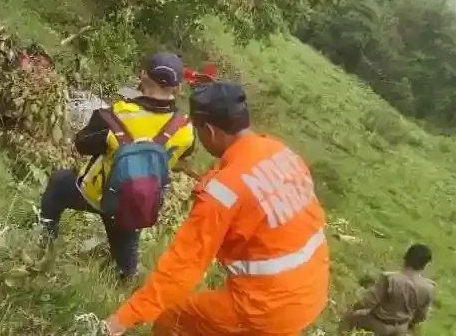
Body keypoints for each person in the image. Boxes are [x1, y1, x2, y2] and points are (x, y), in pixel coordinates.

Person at [103, 80, 329, 336]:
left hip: (267, 308)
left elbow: (182, 267)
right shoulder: (281, 152)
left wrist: (123, 319)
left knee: (173, 319)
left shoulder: (222, 193)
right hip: (313, 291)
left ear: (209, 130)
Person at [40, 52, 198, 283]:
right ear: (179, 87)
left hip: (96, 194)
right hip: (135, 205)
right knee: (125, 265)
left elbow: (82, 144)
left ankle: (45, 240)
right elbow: (181, 157)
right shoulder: (185, 129)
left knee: (59, 183)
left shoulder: (117, 113)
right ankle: (125, 280)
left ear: (143, 76)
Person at [340, 244, 436, 335]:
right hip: (401, 328)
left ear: (405, 258)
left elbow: (368, 301)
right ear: (425, 265)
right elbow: (421, 315)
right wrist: (408, 324)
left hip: (379, 323)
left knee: (350, 317)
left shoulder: (390, 278)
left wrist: (353, 309)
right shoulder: (428, 288)